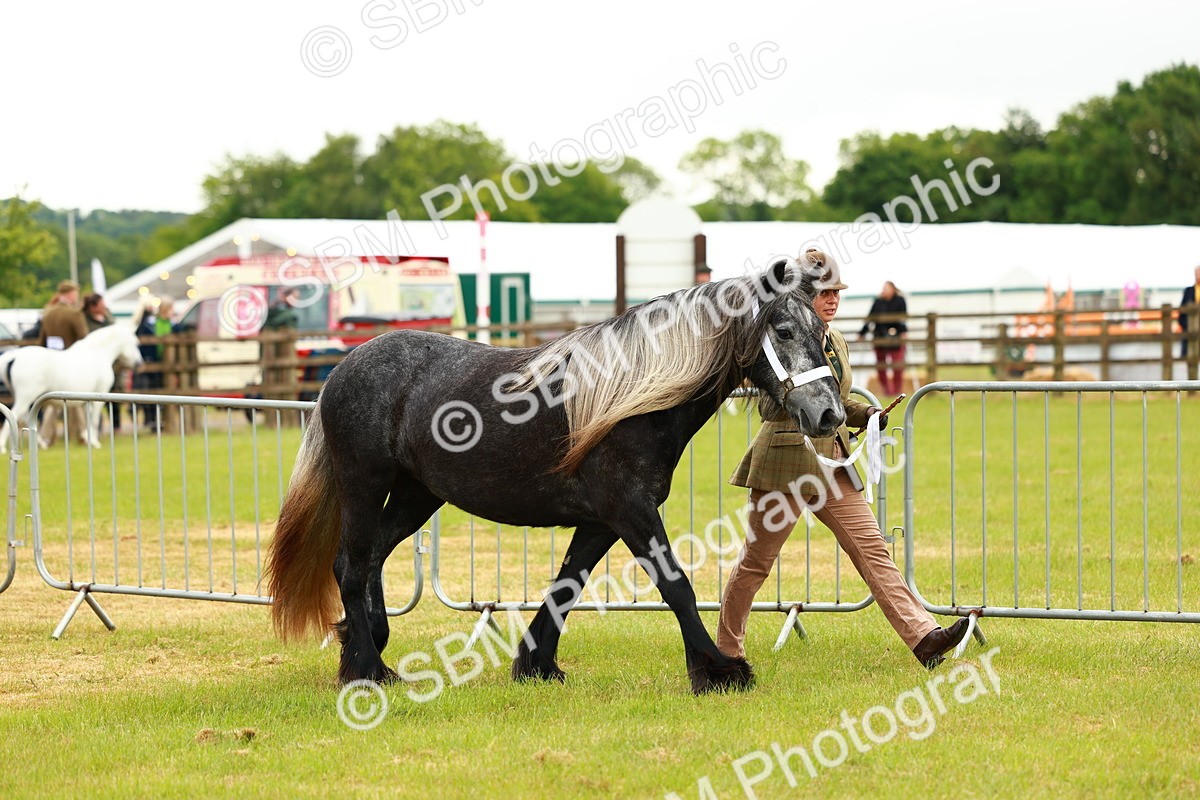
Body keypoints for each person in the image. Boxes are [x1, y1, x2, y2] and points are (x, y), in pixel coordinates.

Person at [717, 250, 970, 670]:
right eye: (823, 292)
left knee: (872, 548)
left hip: (833, 461)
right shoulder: (784, 338)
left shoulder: (836, 341)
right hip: (786, 464)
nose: (832, 299)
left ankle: (924, 637)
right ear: (801, 294)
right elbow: (767, 406)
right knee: (756, 563)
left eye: (837, 291)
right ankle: (726, 651)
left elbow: (834, 400)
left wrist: (865, 414)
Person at [36, 281, 89, 445]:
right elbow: (84, 340)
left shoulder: (48, 313)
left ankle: (48, 436)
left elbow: (42, 341)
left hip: (51, 360)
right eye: (75, 293)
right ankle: (82, 434)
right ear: (71, 294)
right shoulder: (74, 314)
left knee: (55, 399)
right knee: (74, 397)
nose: (77, 297)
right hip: (71, 361)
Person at [858, 281, 908, 396]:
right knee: (881, 366)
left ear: (892, 289)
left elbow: (903, 318)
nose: (883, 290)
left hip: (895, 336)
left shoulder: (900, 300)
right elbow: (870, 318)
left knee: (897, 365)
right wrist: (862, 333)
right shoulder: (878, 302)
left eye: (886, 288)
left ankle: (897, 390)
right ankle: (887, 391)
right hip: (879, 337)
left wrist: (904, 331)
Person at [1181, 265, 1200, 358]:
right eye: (1197, 273)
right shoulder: (1188, 291)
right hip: (1191, 327)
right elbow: (1182, 309)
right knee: (1190, 355)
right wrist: (1185, 325)